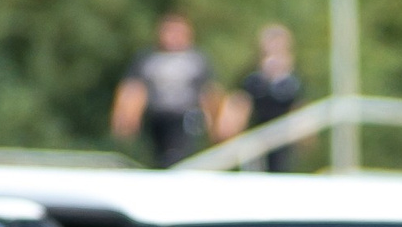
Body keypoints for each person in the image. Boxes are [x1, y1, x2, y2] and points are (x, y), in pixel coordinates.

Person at [110, 13, 223, 168]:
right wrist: (125, 118)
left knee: (177, 158)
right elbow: (132, 89)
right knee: (157, 159)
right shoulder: (147, 59)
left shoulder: (197, 60)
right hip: (156, 117)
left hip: (186, 118)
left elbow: (210, 92)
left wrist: (215, 124)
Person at [218, 24, 304, 170]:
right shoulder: (252, 79)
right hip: (255, 141)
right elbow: (237, 107)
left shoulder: (293, 81)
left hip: (283, 142)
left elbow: (300, 112)